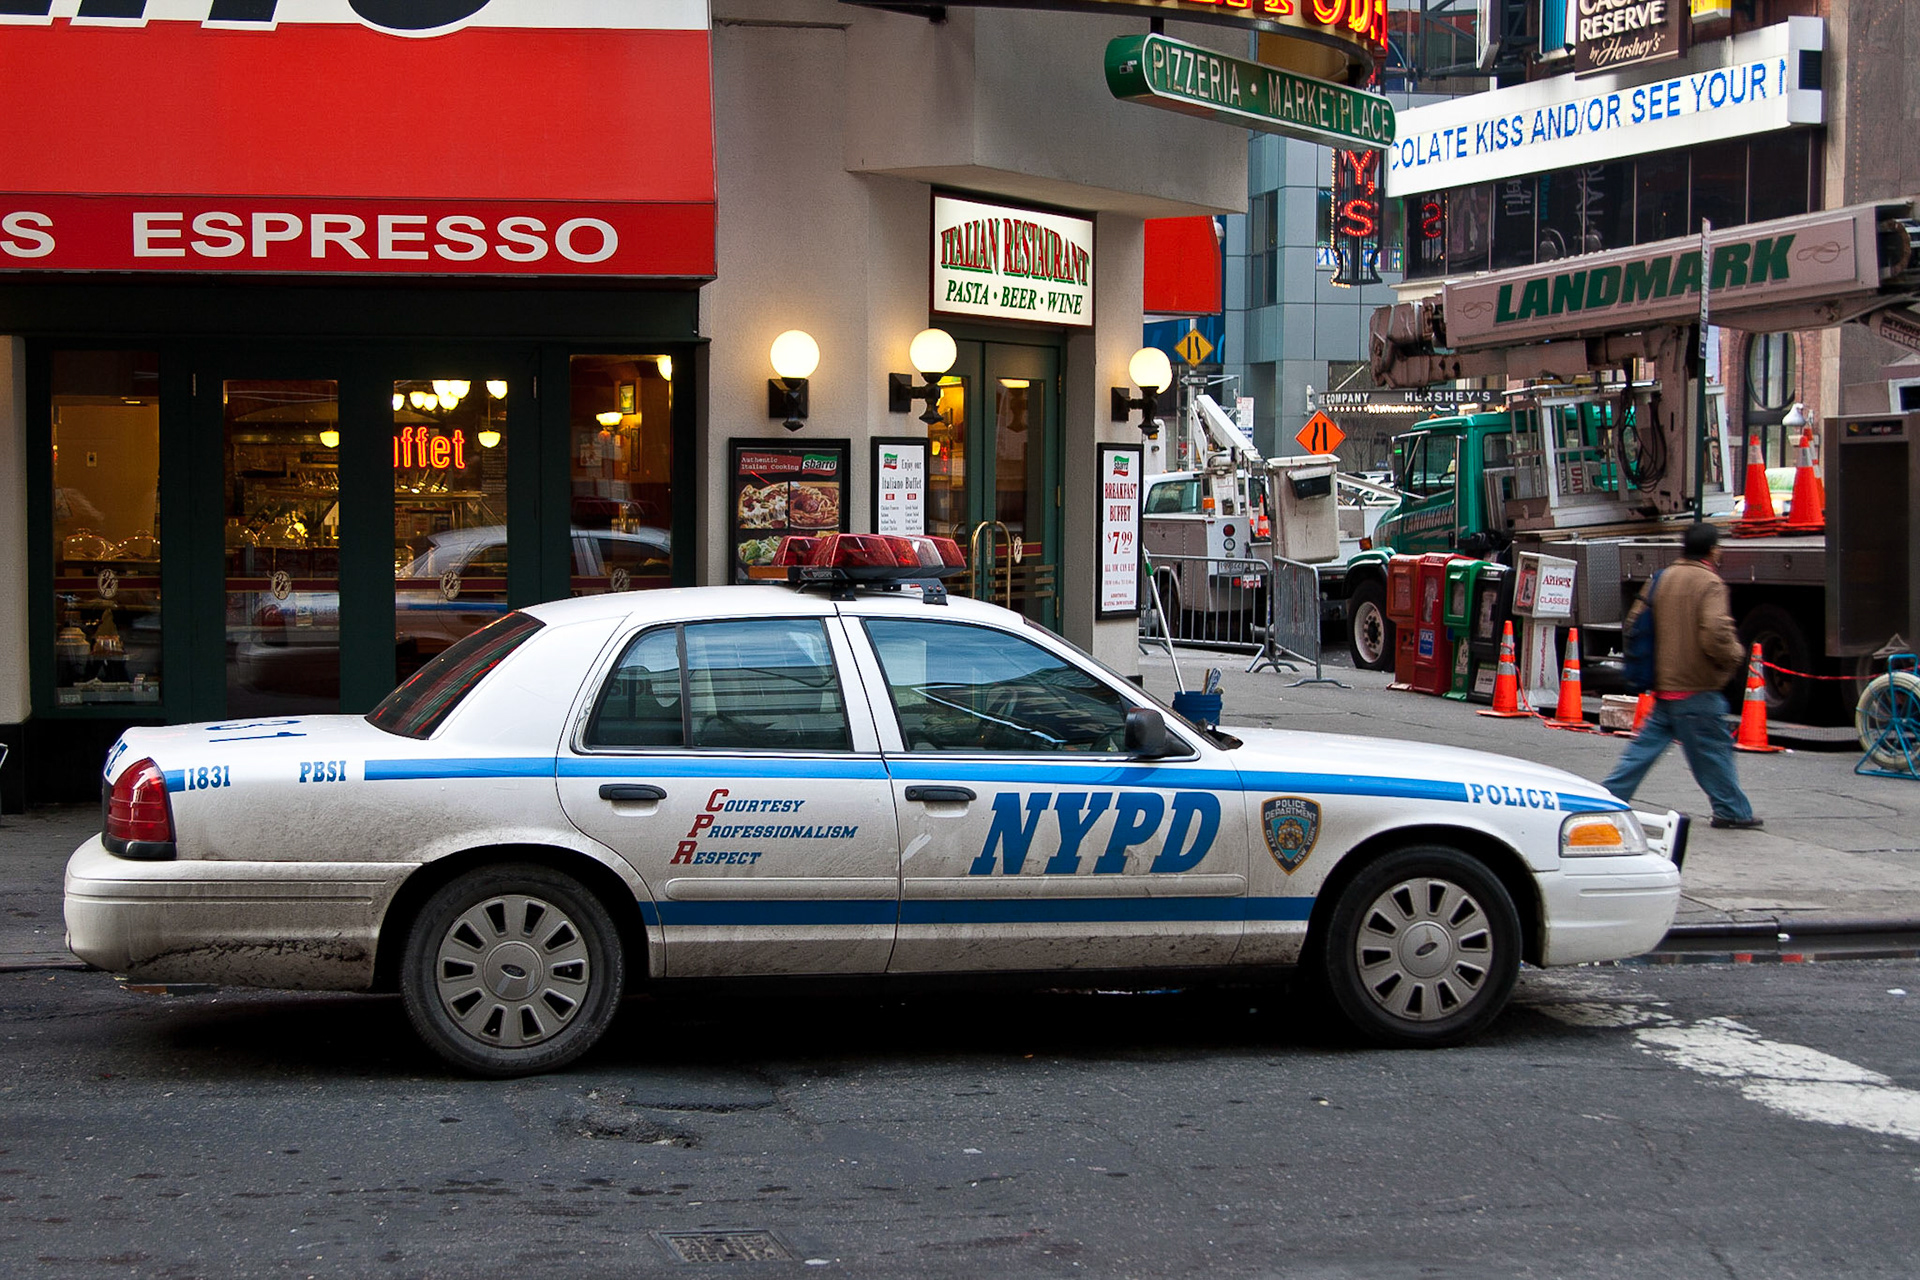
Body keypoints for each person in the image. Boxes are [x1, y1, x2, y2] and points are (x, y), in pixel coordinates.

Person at [1602, 521, 1761, 829]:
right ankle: (1733, 810)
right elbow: (1716, 632)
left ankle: (1606, 798)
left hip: (1666, 685)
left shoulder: (1665, 577)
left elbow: (1636, 620)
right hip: (1696, 686)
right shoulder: (1709, 583)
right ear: (1713, 550)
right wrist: (1735, 658)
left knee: (1640, 754)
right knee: (1713, 753)